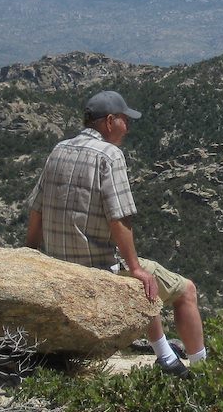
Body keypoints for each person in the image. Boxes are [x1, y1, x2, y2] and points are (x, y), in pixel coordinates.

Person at [25, 90, 206, 377]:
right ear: (109, 121)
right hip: (98, 270)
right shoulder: (110, 155)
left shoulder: (58, 149)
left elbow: (36, 210)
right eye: (124, 120)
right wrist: (134, 268)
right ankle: (201, 368)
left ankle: (166, 355)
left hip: (57, 264)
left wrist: (31, 257)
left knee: (147, 277)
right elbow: (119, 218)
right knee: (183, 290)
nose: (128, 127)